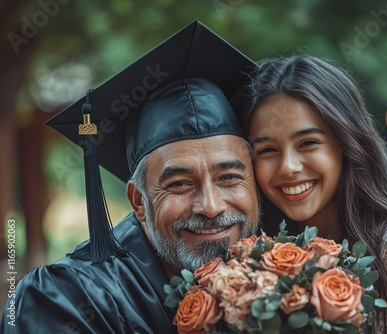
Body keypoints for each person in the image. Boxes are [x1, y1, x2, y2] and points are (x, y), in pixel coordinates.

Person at [1, 21, 260, 333]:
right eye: (179, 184)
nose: (211, 206)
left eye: (229, 177)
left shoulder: (282, 277)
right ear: (139, 200)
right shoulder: (65, 299)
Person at [238, 55, 387, 333]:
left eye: (308, 143)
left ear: (346, 143)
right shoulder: (256, 261)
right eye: (267, 150)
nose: (288, 167)